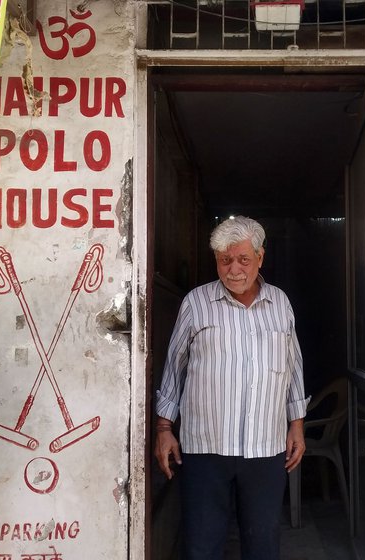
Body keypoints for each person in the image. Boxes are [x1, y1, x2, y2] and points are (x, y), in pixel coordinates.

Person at [155, 216, 310, 560]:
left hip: (266, 446)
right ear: (216, 261)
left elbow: (293, 365)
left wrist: (296, 423)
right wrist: (164, 426)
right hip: (206, 446)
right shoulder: (196, 303)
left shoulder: (280, 303)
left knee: (263, 542)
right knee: (202, 544)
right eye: (225, 260)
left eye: (243, 259)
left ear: (260, 257)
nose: (234, 269)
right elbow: (174, 366)